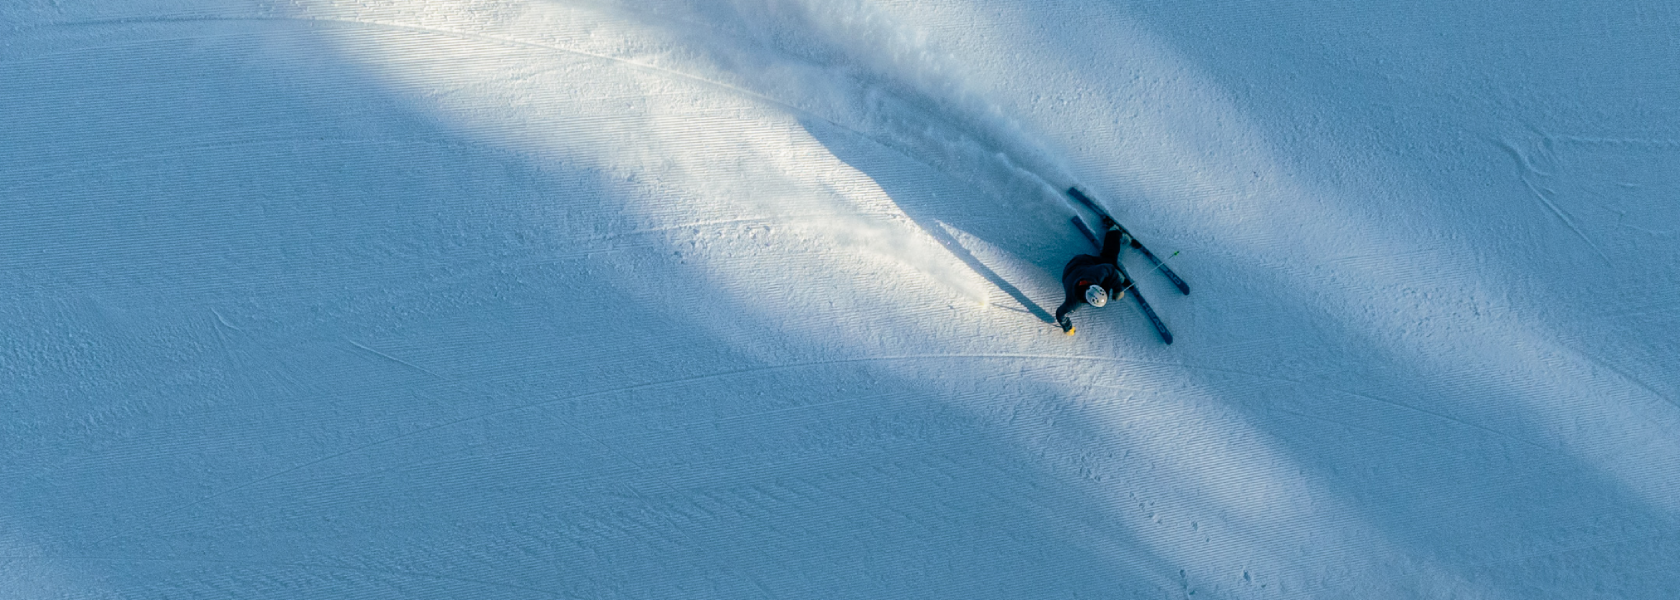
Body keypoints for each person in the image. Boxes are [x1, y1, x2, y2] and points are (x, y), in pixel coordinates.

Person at [1055, 216, 1132, 335]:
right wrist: (1067, 327)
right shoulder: (1073, 303)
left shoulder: (1094, 275)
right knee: (1109, 272)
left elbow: (1109, 268)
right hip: (1072, 272)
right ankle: (1115, 277)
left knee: (1109, 260)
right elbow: (1060, 314)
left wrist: (1118, 289)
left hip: (1081, 263)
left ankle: (1114, 232)